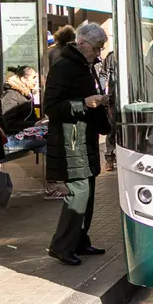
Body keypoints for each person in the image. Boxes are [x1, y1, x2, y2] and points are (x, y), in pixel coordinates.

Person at [45, 23, 111, 266]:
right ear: (82, 44)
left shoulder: (85, 65)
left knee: (88, 191)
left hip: (85, 137)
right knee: (79, 193)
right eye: (97, 48)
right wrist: (84, 103)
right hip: (70, 140)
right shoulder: (63, 67)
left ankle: (79, 241)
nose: (99, 53)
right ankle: (61, 246)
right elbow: (52, 107)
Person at [0, 66, 66, 200]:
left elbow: (32, 119)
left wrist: (42, 122)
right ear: (23, 79)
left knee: (49, 145)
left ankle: (53, 185)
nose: (36, 81)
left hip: (24, 135)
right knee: (50, 140)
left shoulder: (26, 95)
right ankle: (55, 185)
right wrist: (34, 125)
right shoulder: (11, 95)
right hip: (10, 139)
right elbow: (9, 123)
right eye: (33, 77)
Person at [97, 51, 117, 171]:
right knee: (112, 128)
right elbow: (103, 74)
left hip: (131, 98)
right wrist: (102, 93)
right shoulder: (111, 56)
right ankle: (110, 158)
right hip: (114, 98)